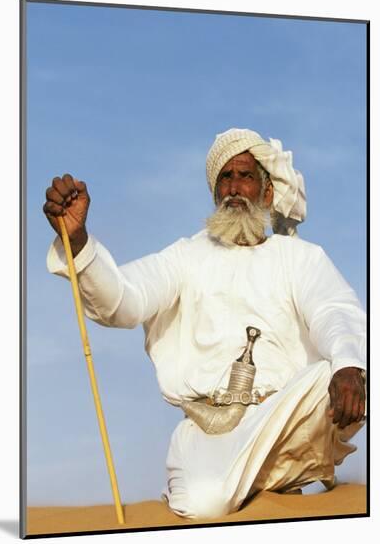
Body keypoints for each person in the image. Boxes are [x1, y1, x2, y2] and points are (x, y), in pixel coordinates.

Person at [43, 128, 366, 520]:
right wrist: (78, 243)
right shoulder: (185, 256)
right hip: (214, 430)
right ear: (215, 193)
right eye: (224, 178)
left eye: (245, 176)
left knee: (355, 365)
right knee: (204, 504)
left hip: (287, 415)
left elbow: (334, 310)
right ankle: (254, 481)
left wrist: (349, 363)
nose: (233, 188)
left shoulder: (300, 257)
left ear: (265, 192)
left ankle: (282, 473)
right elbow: (124, 300)